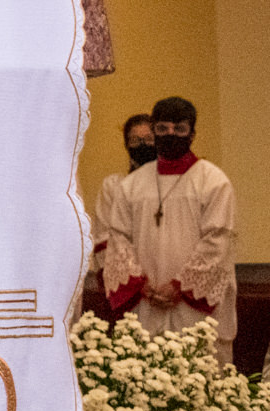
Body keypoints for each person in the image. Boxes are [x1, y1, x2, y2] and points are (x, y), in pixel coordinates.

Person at [102, 95, 239, 362]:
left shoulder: (213, 181)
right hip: (147, 303)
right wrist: (141, 285)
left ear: (192, 133)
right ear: (154, 131)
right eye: (163, 128)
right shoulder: (131, 186)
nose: (170, 134)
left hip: (195, 309)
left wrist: (180, 286)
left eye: (180, 128)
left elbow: (218, 240)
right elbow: (118, 239)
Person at [92, 112, 155, 270]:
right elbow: (104, 237)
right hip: (125, 276)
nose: (142, 145)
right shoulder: (113, 186)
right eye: (135, 140)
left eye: (149, 139)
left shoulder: (172, 189)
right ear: (127, 145)